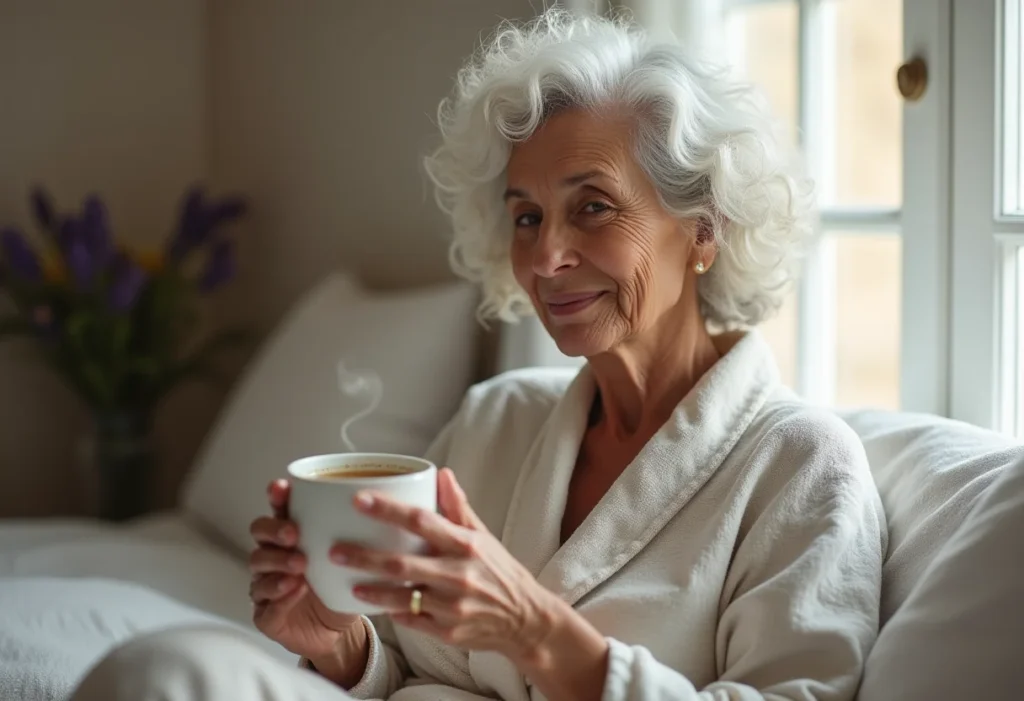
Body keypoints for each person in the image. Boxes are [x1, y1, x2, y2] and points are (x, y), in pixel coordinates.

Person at [71, 8, 886, 701]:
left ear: (704, 230)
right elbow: (396, 660)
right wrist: (337, 640)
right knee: (168, 668)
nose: (545, 257)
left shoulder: (801, 469)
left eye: (592, 207)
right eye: (526, 216)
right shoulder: (496, 418)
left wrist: (535, 629)